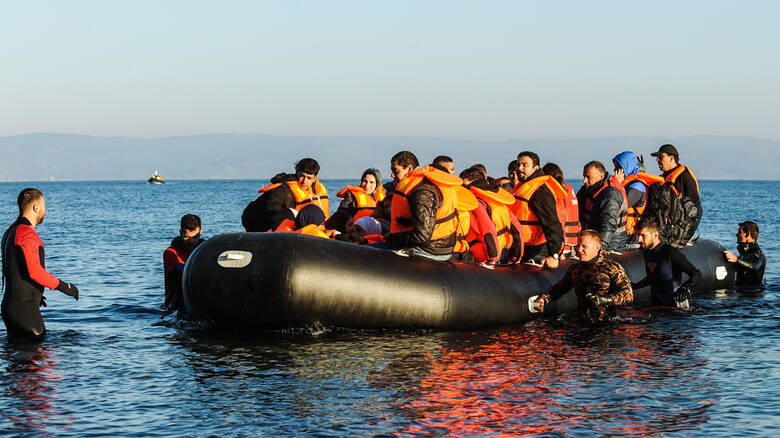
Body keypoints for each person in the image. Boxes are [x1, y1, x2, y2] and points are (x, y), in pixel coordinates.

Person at [1, 188, 79, 340]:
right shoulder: (27, 234)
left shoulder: (10, 232)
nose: (44, 210)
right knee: (38, 361)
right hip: (25, 312)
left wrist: (36, 293)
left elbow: (14, 270)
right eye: (44, 206)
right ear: (36, 207)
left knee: (17, 361)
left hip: (11, 308)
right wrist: (66, 287)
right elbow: (35, 272)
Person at [533, 230, 633, 323]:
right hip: (582, 322)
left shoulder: (611, 268)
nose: (579, 250)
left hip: (606, 324)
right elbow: (560, 288)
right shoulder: (575, 269)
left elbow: (628, 295)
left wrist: (605, 299)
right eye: (578, 246)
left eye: (584, 246)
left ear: (597, 247)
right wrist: (543, 299)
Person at [387, 152, 463, 261]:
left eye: (396, 171)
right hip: (436, 247)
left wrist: (392, 238)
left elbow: (421, 236)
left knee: (372, 253)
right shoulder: (421, 186)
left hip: (429, 250)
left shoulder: (423, 192)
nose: (392, 175)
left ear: (409, 168)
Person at [510, 151, 567, 268]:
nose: (519, 168)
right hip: (522, 248)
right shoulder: (522, 186)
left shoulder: (540, 191)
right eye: (518, 164)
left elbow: (552, 224)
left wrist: (554, 255)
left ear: (536, 168)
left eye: (524, 165)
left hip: (537, 250)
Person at [241, 158, 329, 232]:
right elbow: (271, 212)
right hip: (258, 225)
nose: (304, 181)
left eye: (309, 178)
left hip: (293, 227)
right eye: (302, 176)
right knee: (290, 213)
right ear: (297, 173)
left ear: (315, 178)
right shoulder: (283, 191)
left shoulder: (317, 192)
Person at [632, 216, 701, 308]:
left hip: (676, 313)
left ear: (655, 235)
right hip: (657, 308)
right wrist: (636, 286)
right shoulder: (647, 252)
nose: (639, 240)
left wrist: (685, 287)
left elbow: (696, 274)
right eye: (638, 235)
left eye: (643, 236)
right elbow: (656, 277)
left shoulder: (670, 253)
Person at [577, 161, 630, 251]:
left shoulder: (611, 194)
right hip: (591, 239)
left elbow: (609, 224)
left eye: (588, 177)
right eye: (584, 176)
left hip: (612, 243)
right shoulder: (587, 190)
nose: (584, 180)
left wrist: (601, 247)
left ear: (601, 177)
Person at [651, 144, 702, 232]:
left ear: (671, 158)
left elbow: (694, 207)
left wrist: (687, 228)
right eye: (657, 157)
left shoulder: (685, 177)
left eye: (661, 157)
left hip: (682, 226)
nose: (657, 160)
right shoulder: (664, 178)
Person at [613, 151, 664, 236]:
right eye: (615, 167)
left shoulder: (637, 186)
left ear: (627, 167)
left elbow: (616, 205)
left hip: (632, 236)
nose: (615, 170)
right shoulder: (628, 183)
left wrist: (616, 184)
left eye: (618, 167)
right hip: (626, 234)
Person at [163, 214, 205, 312]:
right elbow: (183, 269)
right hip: (176, 307)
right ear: (181, 232)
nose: (191, 241)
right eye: (186, 237)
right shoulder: (170, 253)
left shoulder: (205, 250)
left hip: (198, 303)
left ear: (200, 232)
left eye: (195, 237)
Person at [542, 162, 580, 257]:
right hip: (572, 247)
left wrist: (558, 251)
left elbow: (559, 221)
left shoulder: (554, 194)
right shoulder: (569, 190)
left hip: (562, 249)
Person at [723, 221, 766, 287]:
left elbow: (755, 267)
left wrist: (736, 259)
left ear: (747, 234)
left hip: (753, 294)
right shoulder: (744, 254)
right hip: (739, 291)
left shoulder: (759, 255)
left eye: (740, 232)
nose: (736, 235)